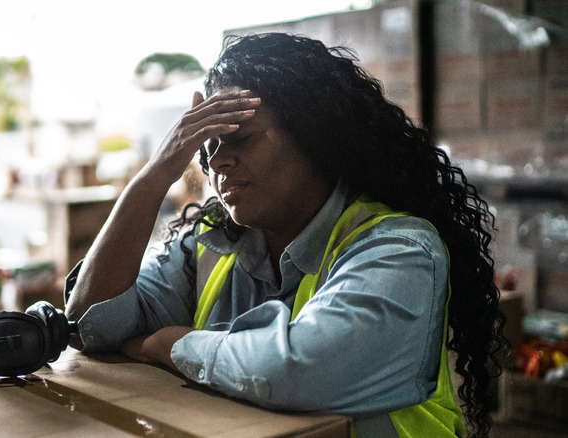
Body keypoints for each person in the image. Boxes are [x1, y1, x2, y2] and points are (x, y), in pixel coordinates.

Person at [64, 33, 505, 438]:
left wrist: (167, 343)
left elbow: (297, 370)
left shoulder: (401, 249)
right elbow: (92, 323)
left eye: (241, 138)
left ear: (317, 137)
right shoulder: (214, 244)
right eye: (209, 146)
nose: (218, 163)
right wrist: (156, 172)